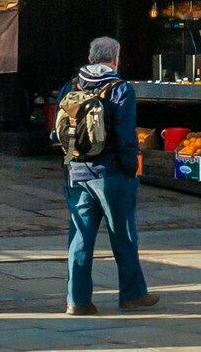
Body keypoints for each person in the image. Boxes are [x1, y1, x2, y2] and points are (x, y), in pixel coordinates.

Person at [58, 37, 156, 316]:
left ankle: (77, 300)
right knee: (123, 234)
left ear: (90, 57)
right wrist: (130, 169)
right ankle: (132, 294)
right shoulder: (120, 89)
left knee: (79, 237)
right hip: (111, 174)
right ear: (115, 59)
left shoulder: (71, 85)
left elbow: (56, 133)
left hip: (75, 172)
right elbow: (126, 136)